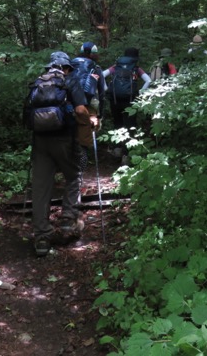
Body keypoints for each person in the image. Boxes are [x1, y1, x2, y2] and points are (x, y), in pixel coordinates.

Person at [24, 51, 90, 256]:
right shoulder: (69, 82)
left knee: (41, 188)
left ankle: (42, 238)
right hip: (64, 140)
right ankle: (68, 220)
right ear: (66, 68)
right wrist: (89, 123)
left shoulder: (36, 84)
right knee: (74, 174)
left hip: (40, 142)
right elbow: (80, 110)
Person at [102, 48, 151, 155]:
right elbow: (148, 80)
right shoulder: (136, 68)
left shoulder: (115, 67)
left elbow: (101, 75)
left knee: (117, 123)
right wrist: (140, 93)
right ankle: (126, 154)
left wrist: (107, 90)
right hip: (130, 101)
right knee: (130, 126)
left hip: (115, 100)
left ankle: (117, 150)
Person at [71, 41, 105, 186]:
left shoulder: (70, 66)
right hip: (88, 108)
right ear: (93, 54)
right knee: (83, 144)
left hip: (70, 107)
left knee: (70, 141)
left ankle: (70, 176)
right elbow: (102, 92)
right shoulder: (95, 68)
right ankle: (78, 178)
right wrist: (100, 114)